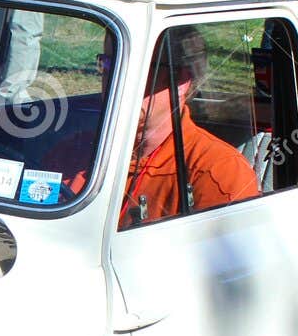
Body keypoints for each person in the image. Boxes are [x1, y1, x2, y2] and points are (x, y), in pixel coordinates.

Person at [45, 28, 259, 225]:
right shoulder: (70, 152)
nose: (114, 81)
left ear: (181, 82)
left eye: (135, 69)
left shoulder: (216, 174)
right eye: (109, 64)